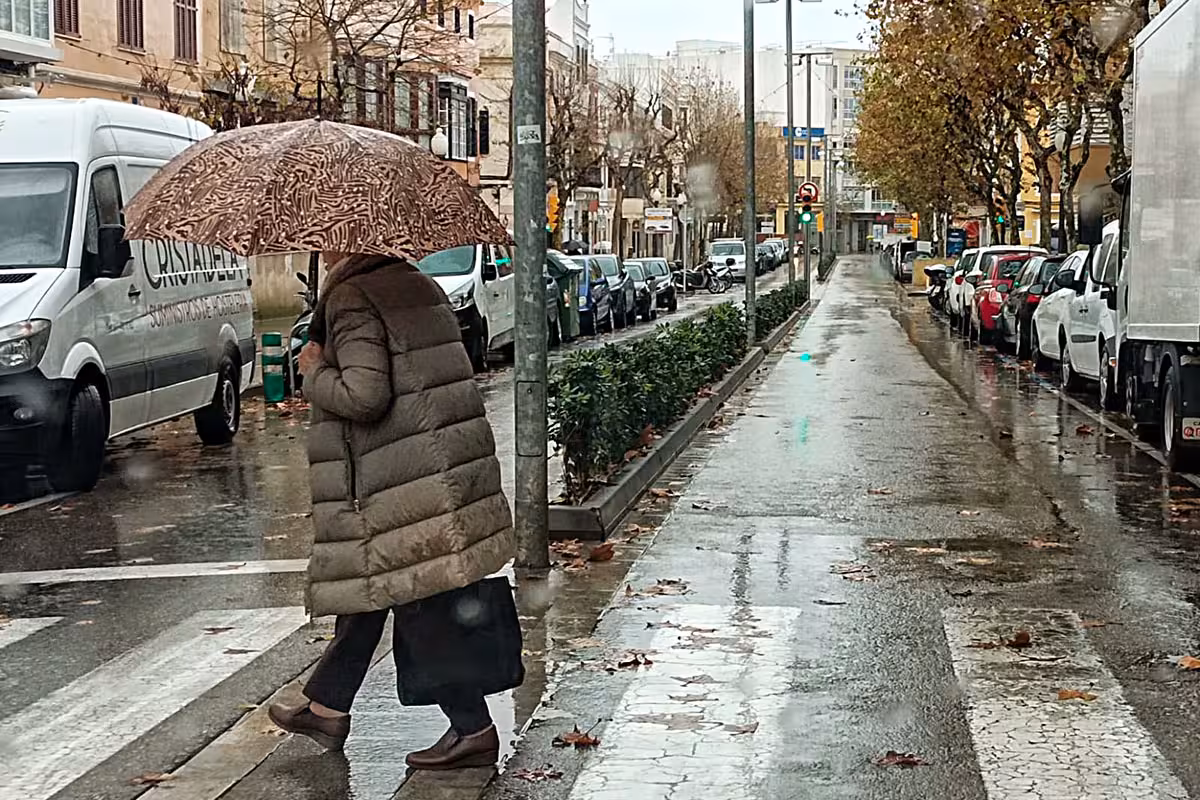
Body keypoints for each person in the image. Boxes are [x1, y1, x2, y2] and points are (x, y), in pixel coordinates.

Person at [268, 253, 518, 770]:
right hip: (435, 468)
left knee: (419, 605)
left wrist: (314, 371)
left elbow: (365, 395)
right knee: (373, 589)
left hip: (400, 479)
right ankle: (327, 707)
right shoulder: (414, 283)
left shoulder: (353, 298)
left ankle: (473, 729)